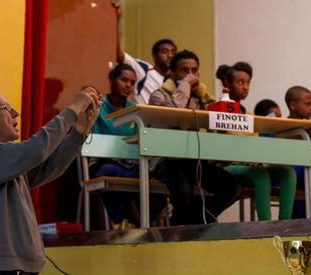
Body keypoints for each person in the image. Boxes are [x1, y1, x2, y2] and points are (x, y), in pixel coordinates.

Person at [0, 88, 99, 275]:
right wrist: (72, 110)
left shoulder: (7, 161)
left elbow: (51, 166)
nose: (15, 113)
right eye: (6, 108)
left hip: (19, 269)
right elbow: (35, 150)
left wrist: (79, 132)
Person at [149, 49, 243, 225]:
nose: (190, 75)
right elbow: (173, 113)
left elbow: (221, 123)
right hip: (166, 161)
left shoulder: (201, 99)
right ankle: (188, 226)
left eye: (194, 71)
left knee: (233, 187)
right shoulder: (159, 95)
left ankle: (194, 220)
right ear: (173, 73)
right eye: (185, 70)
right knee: (184, 190)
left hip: (194, 161)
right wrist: (184, 85)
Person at [216, 62, 297, 221]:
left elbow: (254, 144)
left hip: (250, 165)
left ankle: (284, 225)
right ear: (227, 84)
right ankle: (264, 227)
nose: (245, 87)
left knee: (288, 172)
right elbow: (221, 148)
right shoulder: (217, 109)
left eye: (248, 83)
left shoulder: (250, 115)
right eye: (240, 83)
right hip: (227, 167)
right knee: (261, 175)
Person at [91, 64, 165, 227]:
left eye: (132, 82)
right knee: (120, 178)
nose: (128, 86)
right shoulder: (98, 107)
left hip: (132, 165)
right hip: (104, 164)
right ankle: (142, 227)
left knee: (159, 182)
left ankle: (141, 225)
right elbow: (93, 142)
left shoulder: (135, 110)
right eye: (124, 80)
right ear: (112, 79)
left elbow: (142, 141)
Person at [114, 0, 177, 105]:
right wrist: (118, 18)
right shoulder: (144, 70)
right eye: (164, 52)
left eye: (173, 52)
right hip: (143, 120)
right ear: (155, 56)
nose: (170, 55)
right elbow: (119, 56)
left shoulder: (174, 80)